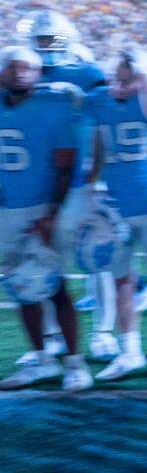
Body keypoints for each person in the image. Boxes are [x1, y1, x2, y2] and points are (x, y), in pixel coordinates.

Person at [18, 10, 122, 363]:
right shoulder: (21, 75)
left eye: (46, 39)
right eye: (36, 40)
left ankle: (104, 332)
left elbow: (105, 125)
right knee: (43, 261)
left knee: (95, 258)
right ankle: (51, 336)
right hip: (43, 184)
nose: (41, 47)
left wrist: (99, 172)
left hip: (83, 179)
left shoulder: (87, 73)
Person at [85, 48, 147, 385]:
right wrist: (90, 187)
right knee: (121, 281)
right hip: (116, 205)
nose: (120, 84)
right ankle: (130, 351)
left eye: (127, 77)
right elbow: (99, 147)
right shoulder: (100, 100)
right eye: (116, 77)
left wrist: (145, 81)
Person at [0, 46, 92, 392]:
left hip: (41, 209)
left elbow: (66, 168)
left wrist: (53, 214)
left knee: (55, 287)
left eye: (27, 69)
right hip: (6, 212)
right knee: (20, 288)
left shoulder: (54, 105)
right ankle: (40, 360)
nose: (20, 74)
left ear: (39, 73)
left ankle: (75, 363)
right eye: (13, 68)